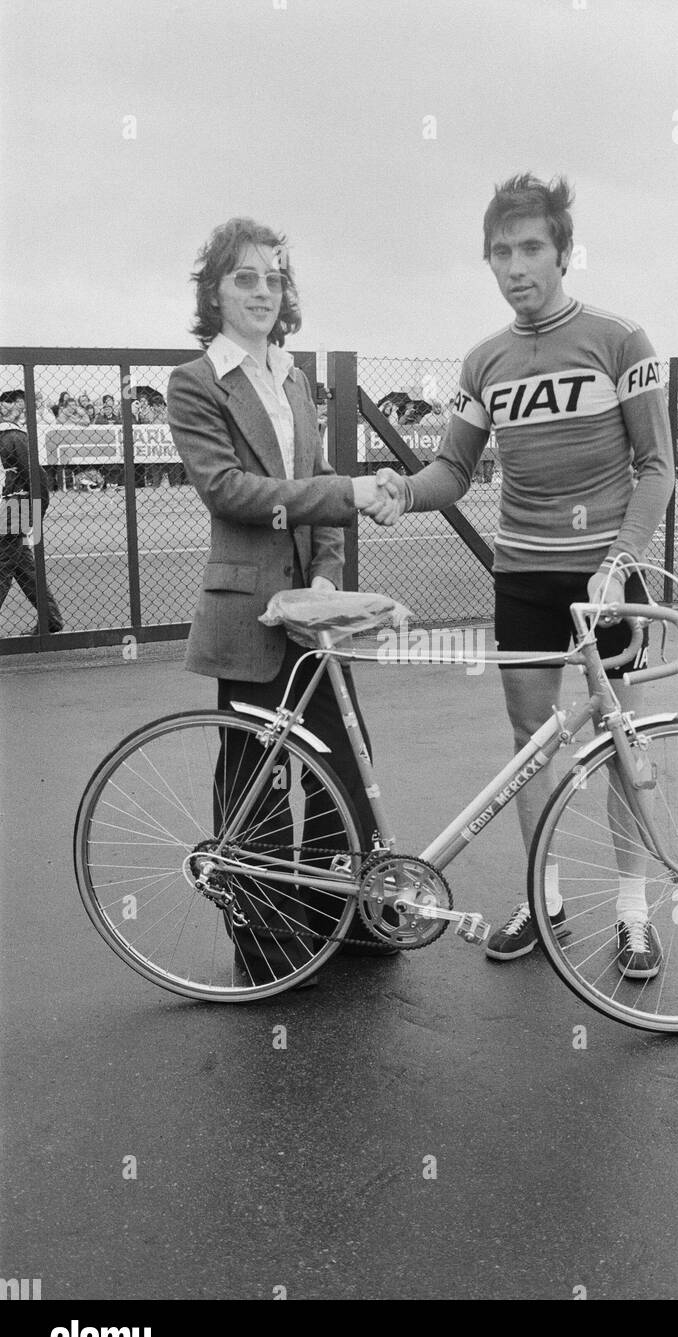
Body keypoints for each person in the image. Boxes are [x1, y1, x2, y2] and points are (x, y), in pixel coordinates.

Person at [370, 174, 674, 977]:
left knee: (619, 744)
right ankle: (545, 904)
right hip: (525, 578)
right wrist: (402, 491)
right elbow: (451, 471)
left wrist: (619, 562)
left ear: (563, 252)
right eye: (500, 252)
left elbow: (656, 469)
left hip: (610, 577)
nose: (515, 266)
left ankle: (634, 914)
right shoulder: (485, 360)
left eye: (531, 247)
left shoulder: (619, 340)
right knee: (530, 748)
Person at [166, 216, 393, 983]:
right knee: (258, 776)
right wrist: (341, 495)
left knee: (338, 764)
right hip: (248, 612)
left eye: (273, 279)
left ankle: (347, 921)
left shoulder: (293, 377)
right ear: (216, 291)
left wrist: (326, 576)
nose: (262, 292)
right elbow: (229, 492)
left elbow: (315, 481)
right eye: (245, 279)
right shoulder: (196, 382)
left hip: (313, 611)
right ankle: (269, 949)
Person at [0, 391, 64, 633]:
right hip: (16, 506)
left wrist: (37, 509)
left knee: (3, 564)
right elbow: (36, 476)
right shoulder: (15, 436)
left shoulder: (12, 436)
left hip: (13, 506)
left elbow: (36, 475)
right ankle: (51, 620)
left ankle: (51, 620)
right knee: (20, 566)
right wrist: (38, 509)